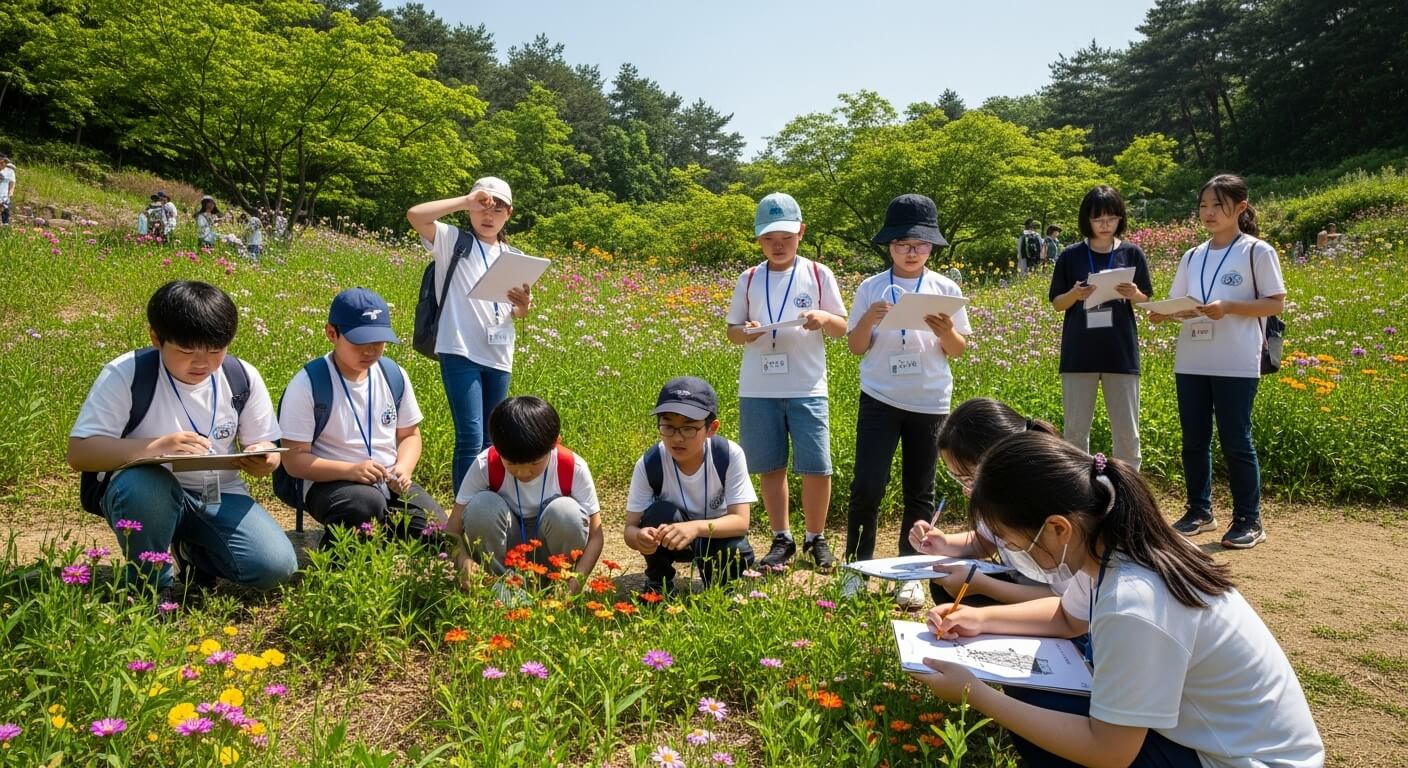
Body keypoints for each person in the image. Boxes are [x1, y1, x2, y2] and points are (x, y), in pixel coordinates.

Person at [915, 432, 1324, 768]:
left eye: (1012, 541)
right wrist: (980, 621)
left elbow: (1109, 753)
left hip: (1241, 760)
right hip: (1214, 741)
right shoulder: (1115, 546)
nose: (1010, 551)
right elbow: (1066, 618)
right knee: (1032, 693)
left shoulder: (1133, 601)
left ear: (1058, 528)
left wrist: (975, 693)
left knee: (1043, 727)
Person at [66, 280, 298, 599]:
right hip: (148, 495)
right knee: (144, 487)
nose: (202, 364)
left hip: (218, 494)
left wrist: (265, 458)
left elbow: (269, 448)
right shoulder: (127, 374)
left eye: (215, 351)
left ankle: (190, 550)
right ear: (156, 338)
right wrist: (156, 447)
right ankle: (151, 588)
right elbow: (80, 453)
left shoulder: (241, 377)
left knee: (275, 566)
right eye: (186, 352)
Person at [844, 194, 971, 610]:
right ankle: (856, 569)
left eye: (920, 244)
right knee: (867, 486)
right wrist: (869, 318)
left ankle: (911, 572)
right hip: (879, 396)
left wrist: (945, 330)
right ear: (889, 245)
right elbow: (855, 347)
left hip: (930, 401)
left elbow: (957, 350)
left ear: (932, 246)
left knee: (920, 491)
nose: (911, 251)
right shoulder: (870, 287)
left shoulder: (945, 288)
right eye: (902, 244)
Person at [1150, 175, 1285, 549]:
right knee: (1193, 440)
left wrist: (1228, 307)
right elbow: (1181, 303)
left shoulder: (1257, 251)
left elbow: (1275, 303)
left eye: (1217, 205)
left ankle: (1249, 519)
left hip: (1236, 360)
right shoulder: (1192, 256)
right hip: (1191, 359)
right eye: (1203, 206)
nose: (1208, 213)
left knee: (1236, 440)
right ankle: (1199, 511)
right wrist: (1164, 314)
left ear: (1240, 208)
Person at [725, 192, 848, 573]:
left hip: (807, 386)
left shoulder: (818, 274)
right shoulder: (749, 278)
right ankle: (782, 537)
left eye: (786, 237)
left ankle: (816, 537)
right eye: (769, 238)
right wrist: (747, 332)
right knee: (770, 466)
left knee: (817, 466)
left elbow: (842, 327)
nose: (778, 245)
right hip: (758, 387)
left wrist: (823, 319)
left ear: (801, 233)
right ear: (758, 238)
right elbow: (732, 331)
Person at [278, 287, 442, 547]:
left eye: (378, 342)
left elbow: (410, 435)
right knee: (365, 505)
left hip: (388, 480)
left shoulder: (393, 375)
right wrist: (352, 470)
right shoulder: (308, 383)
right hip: (329, 481)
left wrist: (404, 467)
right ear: (332, 334)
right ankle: (335, 560)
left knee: (440, 532)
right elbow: (293, 460)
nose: (370, 351)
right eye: (359, 343)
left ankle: (380, 537)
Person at [406, 177, 532, 491]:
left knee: (493, 438)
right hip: (459, 349)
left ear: (509, 213)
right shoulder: (453, 241)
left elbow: (516, 313)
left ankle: (485, 503)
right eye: (482, 207)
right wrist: (465, 200)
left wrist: (523, 306)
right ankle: (464, 510)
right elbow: (415, 215)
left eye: (498, 208)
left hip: (499, 353)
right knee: (470, 436)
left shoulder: (514, 255)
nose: (488, 215)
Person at [908, 397, 1066, 605]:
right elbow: (987, 541)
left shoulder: (1053, 501)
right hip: (1026, 586)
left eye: (969, 478)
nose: (968, 489)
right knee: (945, 581)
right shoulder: (1004, 494)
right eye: (959, 478)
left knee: (963, 588)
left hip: (1057, 605)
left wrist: (983, 587)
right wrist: (943, 543)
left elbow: (1070, 603)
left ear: (1002, 462)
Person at [449, 396, 603, 597]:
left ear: (555, 443)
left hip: (550, 557)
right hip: (506, 551)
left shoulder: (572, 467)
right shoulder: (486, 464)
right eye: (511, 464)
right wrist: (463, 560)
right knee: (482, 506)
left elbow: (596, 536)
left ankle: (555, 587)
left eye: (534, 463)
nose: (523, 473)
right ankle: (498, 590)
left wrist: (575, 583)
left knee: (567, 512)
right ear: (497, 448)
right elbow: (452, 530)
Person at [1048, 186, 1152, 471]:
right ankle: (1079, 489)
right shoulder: (1070, 255)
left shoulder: (1132, 253)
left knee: (1127, 433)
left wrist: (1134, 293)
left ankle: (1128, 489)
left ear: (1121, 218)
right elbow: (1057, 303)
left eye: (1111, 218)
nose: (1105, 225)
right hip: (1079, 353)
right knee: (1075, 433)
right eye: (1098, 219)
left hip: (1120, 353)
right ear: (1087, 220)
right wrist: (1075, 294)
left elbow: (1146, 300)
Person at [624, 376, 757, 598]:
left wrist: (694, 528)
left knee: (735, 548)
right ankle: (658, 583)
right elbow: (630, 528)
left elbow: (741, 522)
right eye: (668, 426)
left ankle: (720, 587)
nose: (677, 438)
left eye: (688, 428)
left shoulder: (728, 455)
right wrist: (639, 537)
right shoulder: (650, 463)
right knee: (658, 514)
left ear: (711, 428)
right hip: (672, 541)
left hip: (716, 539)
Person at [0, 154, 16, 225]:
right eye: (3, 162)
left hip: (4, 194)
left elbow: (12, 182)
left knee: (5, 211)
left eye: (5, 162)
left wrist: (11, 192)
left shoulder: (10, 171)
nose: (4, 164)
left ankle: (5, 226)